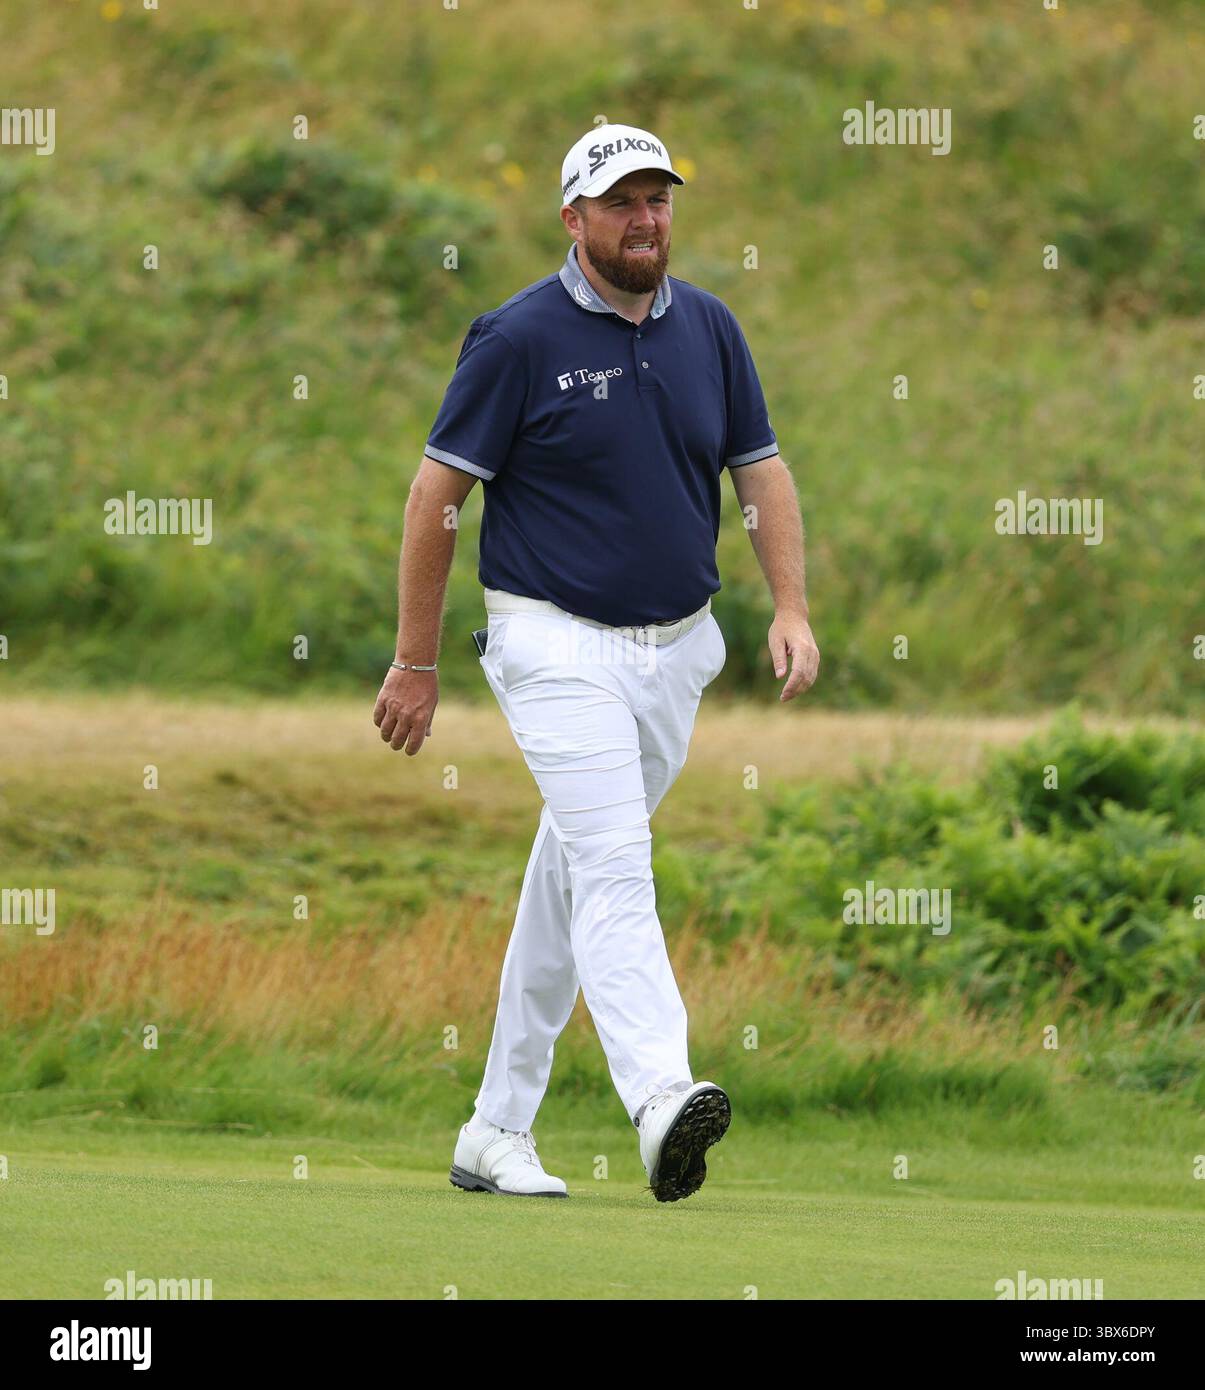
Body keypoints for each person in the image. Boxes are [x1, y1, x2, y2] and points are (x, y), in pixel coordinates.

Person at [373, 122, 820, 1201]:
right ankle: (661, 1096)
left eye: (657, 198)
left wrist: (790, 606)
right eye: (621, 202)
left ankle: (494, 1129)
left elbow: (759, 471)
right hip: (552, 642)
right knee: (615, 864)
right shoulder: (516, 337)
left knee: (569, 876)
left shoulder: (709, 327)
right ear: (573, 218)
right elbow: (436, 497)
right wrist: (414, 662)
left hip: (676, 651)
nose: (644, 219)